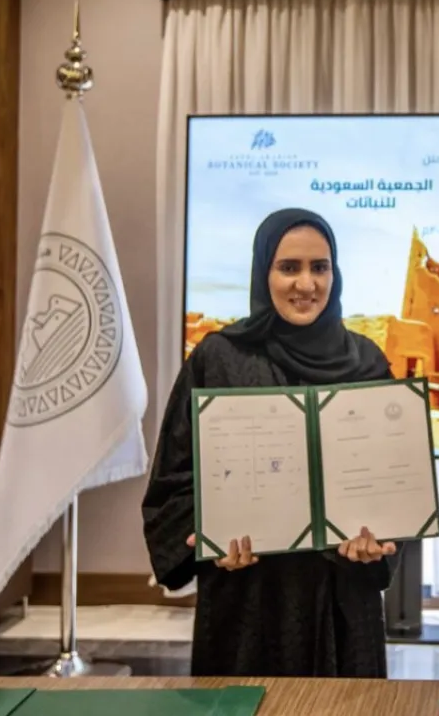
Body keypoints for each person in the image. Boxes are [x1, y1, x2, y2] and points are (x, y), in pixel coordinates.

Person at [142, 207, 402, 678]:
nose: (306, 283)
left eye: (319, 267)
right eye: (288, 267)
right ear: (264, 273)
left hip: (343, 603)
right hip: (248, 602)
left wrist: (378, 539)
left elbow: (391, 480)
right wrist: (207, 538)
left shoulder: (366, 362)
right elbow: (173, 480)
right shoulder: (219, 359)